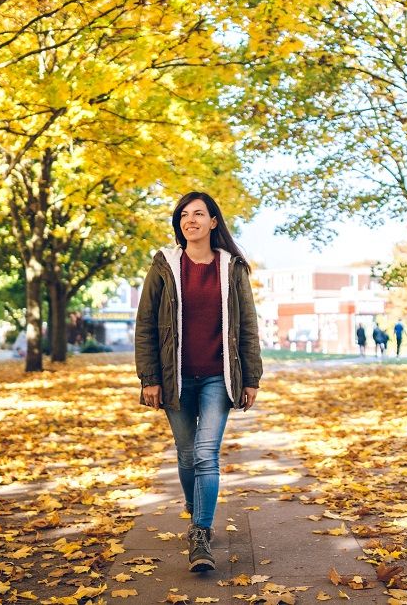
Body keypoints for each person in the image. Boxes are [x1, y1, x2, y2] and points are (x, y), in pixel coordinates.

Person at [135, 191, 263, 574]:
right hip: (174, 378)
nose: (190, 220)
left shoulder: (232, 268)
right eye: (184, 215)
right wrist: (150, 378)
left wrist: (251, 377)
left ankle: (201, 533)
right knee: (187, 455)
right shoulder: (164, 265)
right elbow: (145, 326)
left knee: (207, 454)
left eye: (199, 214)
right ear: (179, 224)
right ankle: (195, 505)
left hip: (217, 377)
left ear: (213, 222)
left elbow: (248, 327)